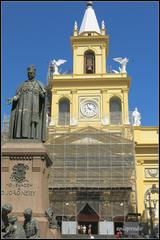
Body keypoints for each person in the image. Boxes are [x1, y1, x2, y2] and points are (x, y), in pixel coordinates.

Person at [7, 65, 47, 142]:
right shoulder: (22, 84)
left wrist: (43, 94)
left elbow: (43, 97)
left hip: (34, 107)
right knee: (22, 121)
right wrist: (13, 99)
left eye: (31, 73)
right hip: (23, 108)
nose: (30, 74)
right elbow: (18, 95)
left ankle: (33, 138)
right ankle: (20, 137)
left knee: (33, 122)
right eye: (29, 73)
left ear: (34, 73)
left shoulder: (39, 84)